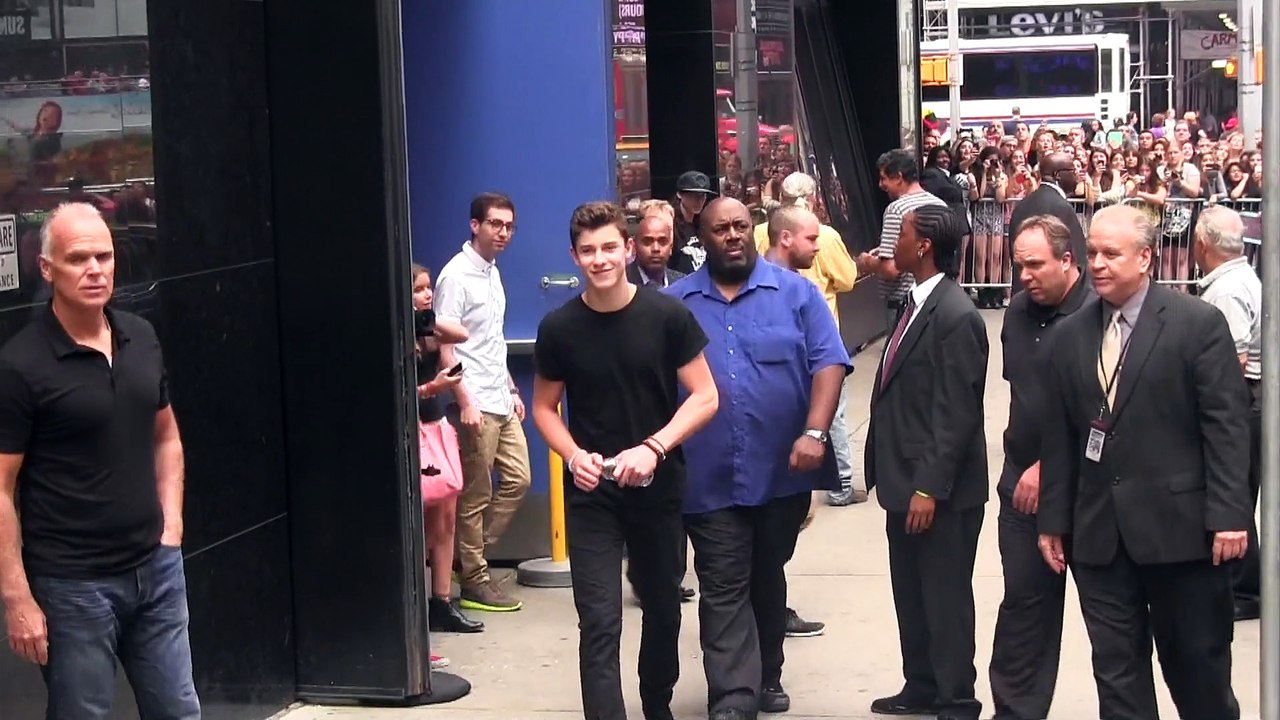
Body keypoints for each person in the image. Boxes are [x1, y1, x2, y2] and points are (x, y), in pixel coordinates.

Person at [1038, 204, 1251, 719]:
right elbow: (1062, 437)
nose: (1098, 264)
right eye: (1091, 253)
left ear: (1147, 258)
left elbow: (1225, 425)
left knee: (1196, 671)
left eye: (1112, 254)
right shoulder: (1070, 335)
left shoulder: (1195, 324)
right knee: (1117, 676)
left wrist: (1229, 515)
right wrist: (1052, 520)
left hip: (1182, 538)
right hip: (1100, 540)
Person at [0, 202, 201, 718]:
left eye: (104, 257)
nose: (95, 269)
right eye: (78, 259)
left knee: (178, 711)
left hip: (155, 571)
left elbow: (166, 437)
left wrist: (171, 526)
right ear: (46, 269)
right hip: (72, 587)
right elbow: (1, 486)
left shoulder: (141, 336)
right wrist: (17, 597)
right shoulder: (21, 365)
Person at [531, 201, 718, 720]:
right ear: (574, 256)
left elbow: (705, 396)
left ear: (628, 249)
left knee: (662, 609)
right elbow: (545, 409)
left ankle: (657, 705)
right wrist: (572, 456)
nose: (600, 258)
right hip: (592, 494)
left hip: (657, 491)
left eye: (610, 247)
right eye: (588, 250)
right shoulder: (560, 328)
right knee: (599, 620)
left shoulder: (667, 316)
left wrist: (654, 447)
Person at [667, 197, 849, 720]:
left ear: (755, 230)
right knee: (722, 582)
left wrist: (815, 432)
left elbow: (829, 363)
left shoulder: (796, 295)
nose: (732, 235)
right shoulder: (676, 304)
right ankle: (732, 697)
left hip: (781, 476)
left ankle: (768, 672)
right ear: (703, 237)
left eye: (741, 226)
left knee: (766, 576)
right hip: (706, 476)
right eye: (720, 228)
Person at [864, 204, 988, 720]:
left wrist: (929, 488)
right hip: (903, 481)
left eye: (904, 233)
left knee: (944, 599)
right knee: (912, 595)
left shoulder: (955, 315)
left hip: (938, 492)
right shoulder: (914, 304)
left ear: (923, 247)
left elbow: (955, 414)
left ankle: (956, 699)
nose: (893, 240)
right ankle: (921, 684)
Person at [989, 215, 1091, 720]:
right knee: (1024, 607)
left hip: (1086, 490)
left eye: (1035, 265)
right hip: (1019, 487)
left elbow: (1109, 412)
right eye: (1018, 265)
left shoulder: (1098, 314)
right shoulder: (1017, 313)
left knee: (1110, 620)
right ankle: (1015, 711)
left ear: (1067, 260)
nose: (1024, 275)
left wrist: (1049, 463)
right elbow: (1022, 394)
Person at [435, 192, 533, 613]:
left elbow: (490, 339)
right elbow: (445, 347)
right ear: (475, 225)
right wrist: (464, 401)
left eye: (509, 226)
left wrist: (511, 388)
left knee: (519, 480)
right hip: (473, 401)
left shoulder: (492, 272)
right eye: (495, 224)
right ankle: (475, 579)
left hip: (500, 395)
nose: (504, 232)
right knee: (474, 494)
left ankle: (463, 558)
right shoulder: (455, 276)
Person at [751, 172, 862, 508]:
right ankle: (841, 482)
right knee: (832, 414)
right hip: (813, 345)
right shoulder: (824, 237)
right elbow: (847, 278)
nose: (815, 245)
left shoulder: (758, 234)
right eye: (810, 240)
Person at [1191, 205, 1263, 622]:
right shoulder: (1237, 279)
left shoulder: (1228, 290)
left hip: (1241, 401)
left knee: (1234, 493)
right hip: (1247, 400)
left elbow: (1229, 363)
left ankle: (1244, 589)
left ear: (1202, 244)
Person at [409, 264, 484, 639]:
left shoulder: (428, 331)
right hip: (414, 428)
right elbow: (403, 390)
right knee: (418, 518)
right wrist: (431, 388)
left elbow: (461, 333)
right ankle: (412, 599)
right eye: (418, 290)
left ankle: (441, 601)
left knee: (446, 516)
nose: (427, 295)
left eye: (428, 289)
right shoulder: (399, 334)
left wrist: (426, 318)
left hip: (437, 427)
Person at [1005, 152, 1087, 295]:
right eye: (1073, 171)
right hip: (1055, 298)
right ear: (1058, 175)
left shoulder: (1022, 206)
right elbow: (1078, 259)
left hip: (1024, 296)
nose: (1077, 175)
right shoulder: (1061, 208)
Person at [627, 213, 686, 289]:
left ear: (671, 247)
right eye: (647, 242)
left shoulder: (682, 283)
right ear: (634, 246)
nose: (656, 248)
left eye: (662, 241)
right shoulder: (622, 281)